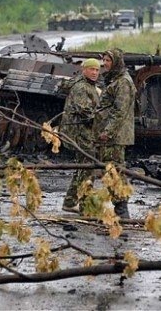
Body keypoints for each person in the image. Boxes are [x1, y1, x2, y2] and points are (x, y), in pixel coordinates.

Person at [95, 49, 136, 219]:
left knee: (115, 171)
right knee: (111, 169)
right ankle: (119, 207)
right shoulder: (115, 79)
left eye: (108, 60)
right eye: (103, 60)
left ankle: (121, 209)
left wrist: (108, 131)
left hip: (115, 135)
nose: (104, 63)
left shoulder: (123, 83)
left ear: (117, 62)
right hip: (111, 134)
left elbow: (120, 111)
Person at [60, 58, 101, 213]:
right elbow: (84, 110)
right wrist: (101, 121)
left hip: (84, 132)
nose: (95, 73)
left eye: (97, 70)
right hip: (80, 132)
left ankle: (70, 202)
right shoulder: (81, 87)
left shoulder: (90, 86)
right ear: (84, 70)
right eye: (92, 69)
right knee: (88, 167)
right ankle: (86, 205)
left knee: (82, 167)